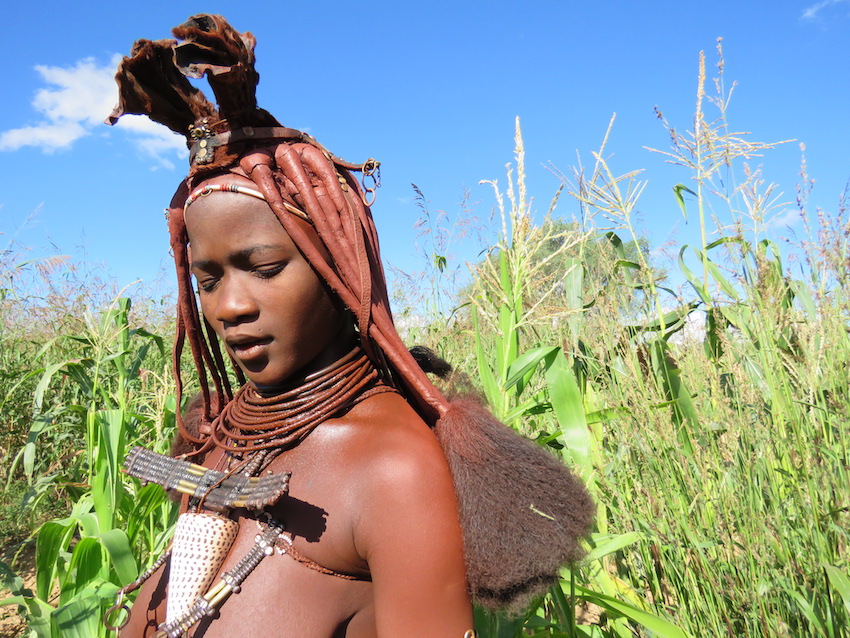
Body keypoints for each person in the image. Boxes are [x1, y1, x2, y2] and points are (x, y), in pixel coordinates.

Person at [104, 14, 592, 638]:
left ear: (338, 268)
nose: (229, 307)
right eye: (208, 281)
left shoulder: (392, 470)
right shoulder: (224, 430)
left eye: (265, 268)